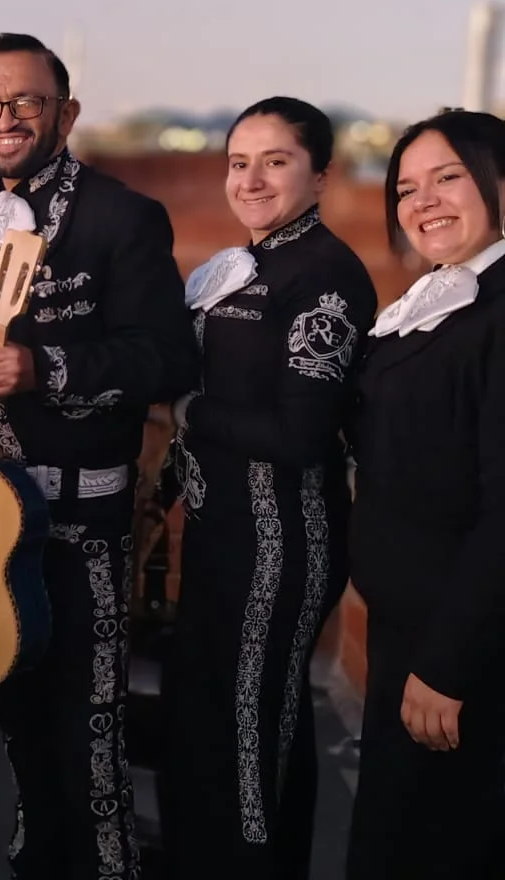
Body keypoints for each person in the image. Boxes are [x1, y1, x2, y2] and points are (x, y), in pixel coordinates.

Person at [0, 32, 198, 880]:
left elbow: (165, 358)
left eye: (25, 101)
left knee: (90, 733)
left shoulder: (122, 215)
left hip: (81, 521)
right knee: (16, 720)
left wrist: (39, 366)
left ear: (66, 113)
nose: (6, 117)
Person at [156, 97, 377, 878]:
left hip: (282, 546)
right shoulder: (239, 266)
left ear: (319, 175)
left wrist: (187, 410)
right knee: (224, 726)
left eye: (274, 161)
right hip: (224, 540)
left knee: (248, 737)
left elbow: (298, 436)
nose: (250, 179)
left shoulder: (325, 278)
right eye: (237, 161)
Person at [344, 109, 505, 879]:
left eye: (448, 178)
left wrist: (448, 662)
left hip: (463, 652)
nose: (423, 201)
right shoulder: (441, 301)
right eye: (406, 187)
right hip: (410, 630)